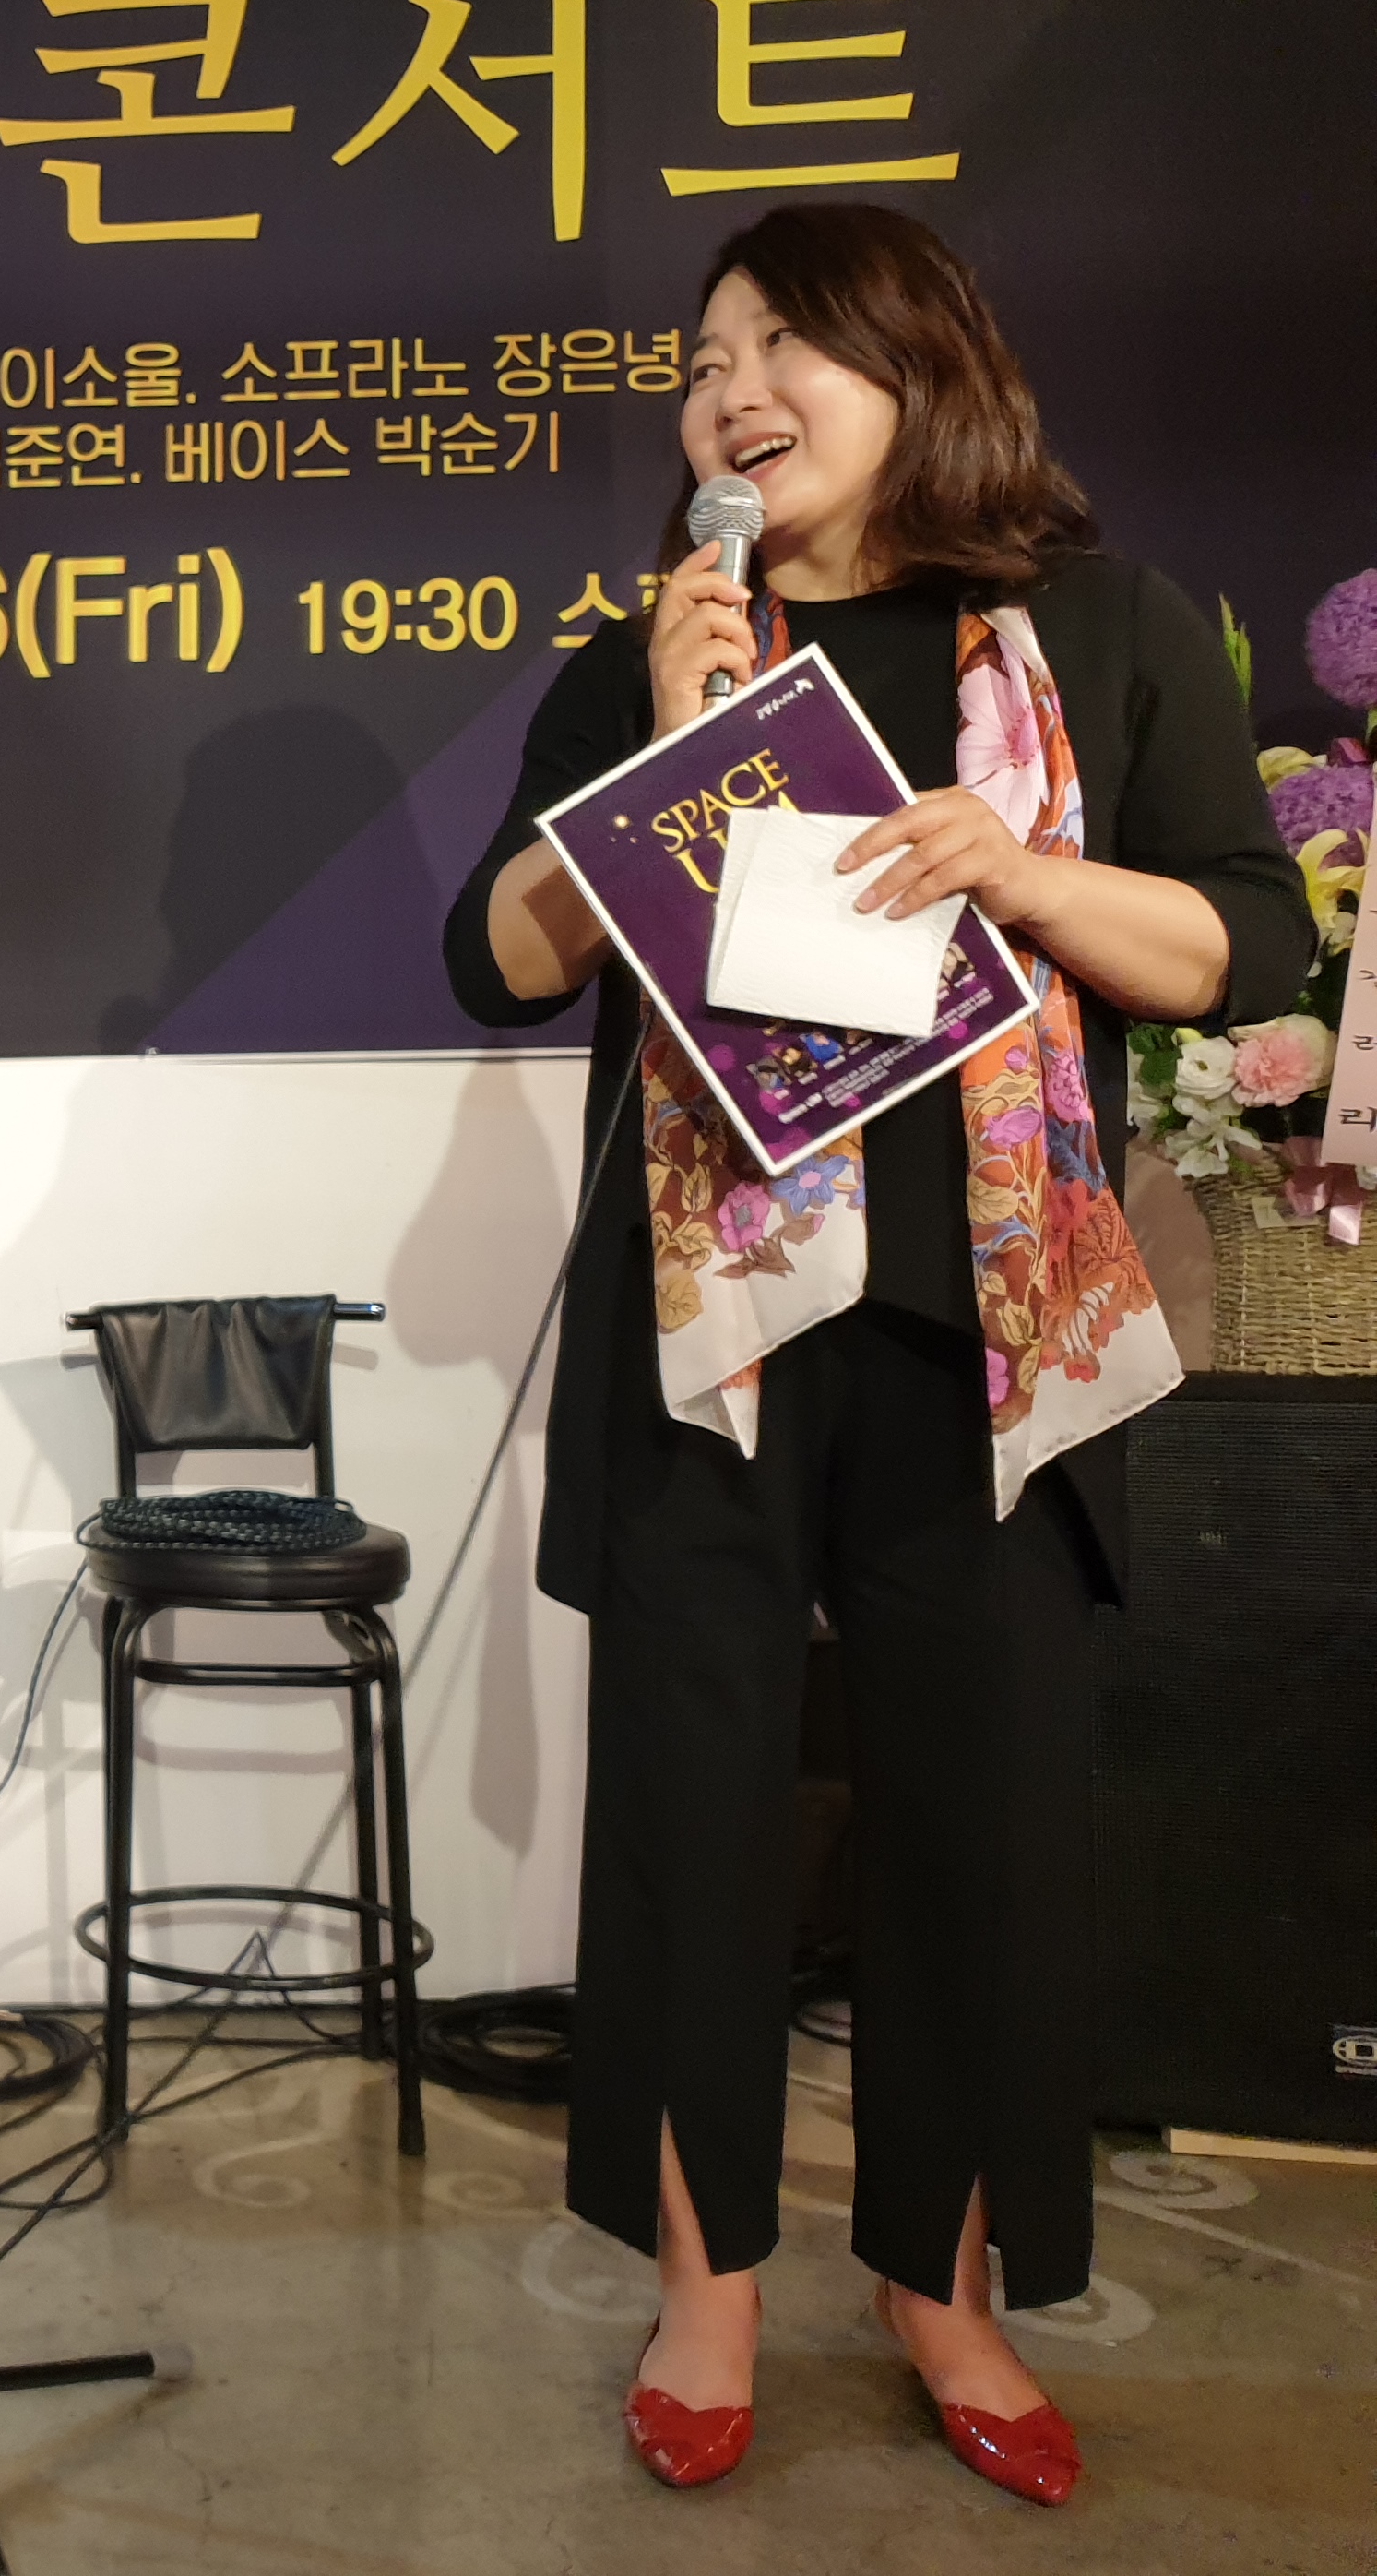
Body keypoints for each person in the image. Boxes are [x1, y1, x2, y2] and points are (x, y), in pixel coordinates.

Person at [442, 204, 1310, 2503]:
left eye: (787, 346)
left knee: (980, 1826)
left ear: (924, 369)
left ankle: (947, 2289)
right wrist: (652, 753)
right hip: (716, 1337)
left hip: (991, 1337)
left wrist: (1017, 871)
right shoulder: (658, 652)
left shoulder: (1098, 636)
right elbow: (498, 959)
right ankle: (707, 2287)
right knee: (695, 1816)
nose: (733, 392)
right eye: (704, 358)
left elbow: (1238, 943)